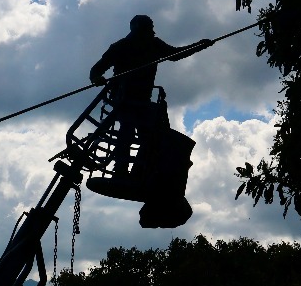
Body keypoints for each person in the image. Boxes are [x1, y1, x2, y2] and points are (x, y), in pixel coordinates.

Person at [89, 15, 211, 173]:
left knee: (151, 135)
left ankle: (141, 170)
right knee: (127, 128)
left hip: (143, 100)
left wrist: (199, 45)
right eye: (149, 27)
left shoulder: (154, 44)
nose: (153, 31)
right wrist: (96, 78)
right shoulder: (121, 46)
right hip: (123, 98)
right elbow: (97, 69)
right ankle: (121, 169)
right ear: (140, 28)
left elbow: (175, 54)